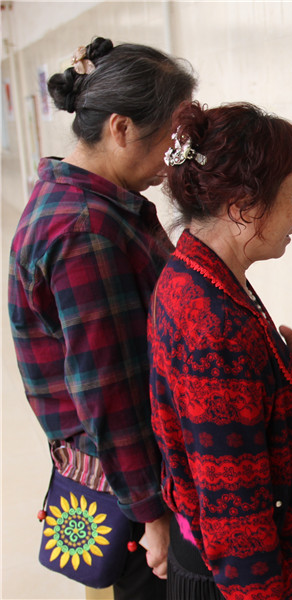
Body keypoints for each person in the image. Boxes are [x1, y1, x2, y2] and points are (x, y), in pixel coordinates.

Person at [8, 37, 196, 598]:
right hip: (133, 491)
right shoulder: (85, 230)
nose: (173, 160)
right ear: (121, 128)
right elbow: (110, 392)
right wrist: (152, 516)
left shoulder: (89, 202)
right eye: (169, 141)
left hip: (129, 475)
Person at [148, 101, 292, 600]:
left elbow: (235, 409)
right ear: (243, 207)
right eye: (291, 198)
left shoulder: (195, 269)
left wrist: (285, 361)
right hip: (239, 580)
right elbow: (234, 502)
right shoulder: (214, 325)